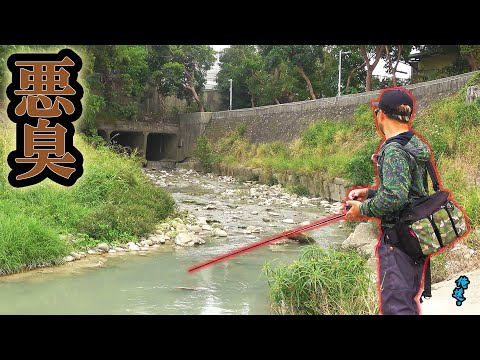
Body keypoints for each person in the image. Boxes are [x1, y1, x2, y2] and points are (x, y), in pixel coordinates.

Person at [345, 87, 433, 315]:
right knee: (406, 301)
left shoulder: (394, 150)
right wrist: (371, 193)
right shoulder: (413, 144)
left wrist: (361, 209)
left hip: (398, 242)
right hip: (415, 238)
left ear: (381, 114)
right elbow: (410, 192)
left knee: (397, 307)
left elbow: (395, 198)